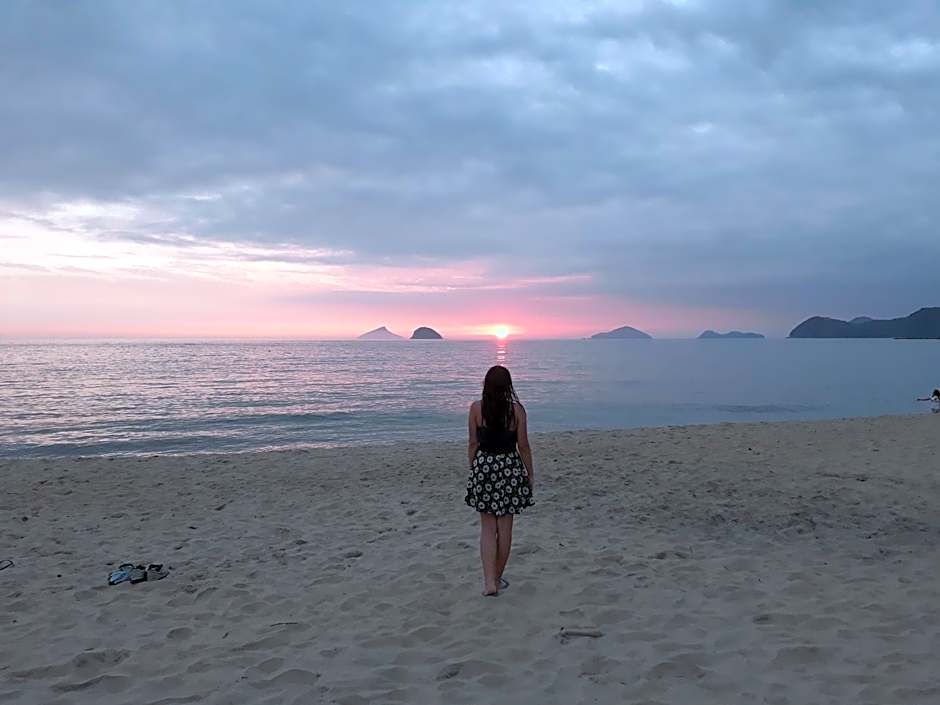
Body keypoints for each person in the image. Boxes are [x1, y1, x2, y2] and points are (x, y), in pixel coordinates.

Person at [465, 365, 534, 596]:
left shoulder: (476, 408)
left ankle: (489, 583)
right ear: (508, 386)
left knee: (487, 528)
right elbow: (523, 446)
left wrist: (474, 467)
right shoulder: (517, 411)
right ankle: (497, 576)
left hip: (484, 467)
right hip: (509, 469)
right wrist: (530, 473)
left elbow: (473, 443)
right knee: (505, 528)